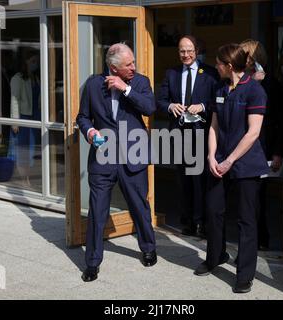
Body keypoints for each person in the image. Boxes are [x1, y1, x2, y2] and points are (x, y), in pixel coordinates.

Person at [77, 43, 157, 282]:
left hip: (133, 156)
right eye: (128, 64)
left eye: (133, 62)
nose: (134, 67)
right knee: (97, 212)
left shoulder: (140, 82)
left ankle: (148, 248)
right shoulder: (92, 84)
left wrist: (126, 89)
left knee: (139, 206)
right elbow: (82, 116)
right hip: (103, 159)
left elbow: (150, 108)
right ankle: (92, 263)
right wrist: (90, 132)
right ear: (113, 67)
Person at [194, 44, 269, 294]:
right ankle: (215, 257)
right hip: (219, 161)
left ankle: (244, 274)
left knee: (246, 220)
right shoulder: (220, 88)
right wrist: (211, 156)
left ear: (228, 66)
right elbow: (213, 126)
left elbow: (253, 132)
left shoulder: (254, 91)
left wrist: (230, 160)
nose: (215, 66)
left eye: (218, 63)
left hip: (245, 164)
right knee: (213, 210)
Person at [157, 35, 218, 238]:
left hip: (201, 133)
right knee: (183, 179)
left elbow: (218, 101)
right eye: (182, 51)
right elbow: (160, 100)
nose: (186, 54)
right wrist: (170, 106)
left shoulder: (210, 73)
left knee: (200, 179)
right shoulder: (172, 73)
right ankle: (188, 221)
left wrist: (202, 106)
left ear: (197, 50)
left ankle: (202, 222)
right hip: (179, 133)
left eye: (189, 50)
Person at [240, 40, 283, 250]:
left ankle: (262, 239)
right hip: (243, 148)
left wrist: (278, 152)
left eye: (245, 56)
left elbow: (279, 121)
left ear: (255, 60)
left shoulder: (271, 85)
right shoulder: (242, 82)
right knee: (248, 198)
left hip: (264, 147)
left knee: (259, 197)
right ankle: (251, 238)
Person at [9, 49, 41, 187]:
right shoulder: (18, 78)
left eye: (37, 61)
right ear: (26, 62)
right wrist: (15, 122)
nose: (36, 64)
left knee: (30, 152)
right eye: (33, 61)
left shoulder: (36, 78)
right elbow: (14, 100)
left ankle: (27, 178)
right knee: (22, 151)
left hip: (35, 118)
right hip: (23, 118)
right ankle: (24, 180)